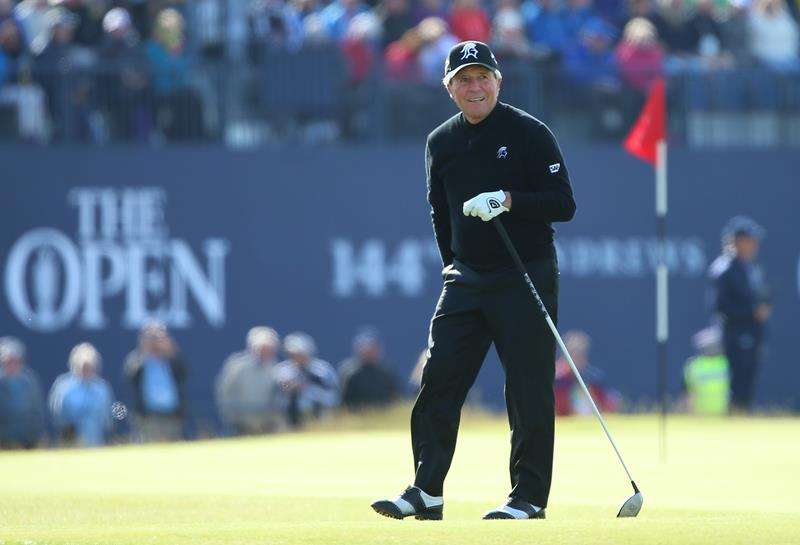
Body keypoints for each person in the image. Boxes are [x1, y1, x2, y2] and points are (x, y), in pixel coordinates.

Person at [371, 40, 576, 521]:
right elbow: (440, 213)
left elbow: (563, 203)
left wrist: (508, 199)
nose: (475, 86)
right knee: (439, 380)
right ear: (449, 88)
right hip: (466, 277)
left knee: (526, 389)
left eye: (483, 76)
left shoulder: (529, 132)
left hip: (524, 271)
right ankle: (427, 490)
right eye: (464, 79)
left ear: (498, 81)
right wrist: (453, 264)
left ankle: (528, 497)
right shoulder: (440, 141)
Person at [708, 216, 771, 413]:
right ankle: (735, 419)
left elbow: (760, 295)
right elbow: (719, 307)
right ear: (736, 241)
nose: (754, 245)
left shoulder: (751, 267)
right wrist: (751, 313)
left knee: (749, 381)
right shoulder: (725, 268)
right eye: (749, 240)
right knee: (738, 382)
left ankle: (744, 417)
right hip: (736, 334)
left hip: (753, 333)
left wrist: (763, 307)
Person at [215, 326, 287, 434]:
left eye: (270, 348)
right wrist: (230, 415)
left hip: (267, 425)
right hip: (239, 424)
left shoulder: (277, 368)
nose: (267, 351)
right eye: (263, 348)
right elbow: (224, 392)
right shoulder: (236, 366)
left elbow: (280, 395)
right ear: (253, 348)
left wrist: (275, 414)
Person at [124, 320, 187, 442]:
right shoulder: (137, 359)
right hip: (148, 417)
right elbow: (130, 376)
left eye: (158, 337)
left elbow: (184, 373)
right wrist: (144, 351)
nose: (155, 342)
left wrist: (170, 351)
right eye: (150, 337)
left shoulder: (172, 360)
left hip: (172, 416)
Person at [48, 343, 114, 447]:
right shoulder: (64, 387)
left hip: (97, 440)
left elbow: (108, 414)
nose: (87, 370)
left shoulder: (102, 387)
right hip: (71, 441)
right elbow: (57, 414)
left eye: (90, 366)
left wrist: (110, 430)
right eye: (84, 366)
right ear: (75, 365)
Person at [274, 332, 339, 428]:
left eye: (300, 353)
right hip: (290, 419)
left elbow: (334, 398)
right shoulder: (283, 371)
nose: (297, 357)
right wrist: (289, 387)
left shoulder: (323, 370)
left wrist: (309, 389)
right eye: (293, 354)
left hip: (320, 419)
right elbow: (278, 393)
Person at [554, 330, 619, 416]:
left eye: (582, 353)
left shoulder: (594, 379)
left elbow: (609, 404)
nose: (579, 358)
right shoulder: (556, 379)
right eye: (574, 353)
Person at [338, 327, 399, 410]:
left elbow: (396, 399)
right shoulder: (349, 373)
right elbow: (343, 402)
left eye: (372, 348)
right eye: (364, 348)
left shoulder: (387, 372)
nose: (368, 352)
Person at [0, 337, 45, 449]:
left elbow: (36, 411)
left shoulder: (29, 381)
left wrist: (36, 435)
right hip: (3, 440)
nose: (12, 365)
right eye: (8, 361)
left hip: (27, 441)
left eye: (15, 361)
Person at [682, 326, 730, 415]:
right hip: (699, 413)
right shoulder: (693, 365)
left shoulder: (725, 362)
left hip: (723, 413)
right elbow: (688, 393)